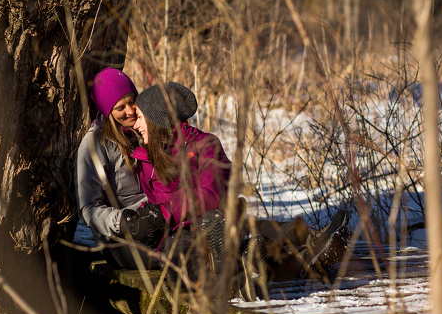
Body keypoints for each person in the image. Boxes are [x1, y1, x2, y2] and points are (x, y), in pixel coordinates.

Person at [130, 81, 349, 296]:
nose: (135, 125)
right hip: (182, 234)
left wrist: (166, 210)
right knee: (180, 254)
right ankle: (245, 269)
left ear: (158, 117)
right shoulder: (146, 159)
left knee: (248, 229)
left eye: (139, 117)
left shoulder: (204, 144)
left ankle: (309, 243)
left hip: (215, 222)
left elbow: (210, 195)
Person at [74, 67, 165, 271]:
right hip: (120, 237)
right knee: (166, 260)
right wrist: (124, 221)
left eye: (132, 101)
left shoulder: (146, 131)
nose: (130, 111)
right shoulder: (94, 144)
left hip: (159, 221)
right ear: (108, 111)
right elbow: (88, 208)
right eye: (120, 107)